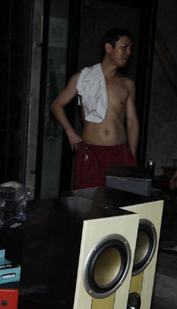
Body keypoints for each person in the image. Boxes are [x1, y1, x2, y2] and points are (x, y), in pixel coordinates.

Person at [51, 28, 138, 190]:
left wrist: (131, 155)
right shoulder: (83, 78)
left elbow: (132, 121)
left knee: (121, 205)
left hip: (120, 153)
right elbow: (57, 105)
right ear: (108, 48)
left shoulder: (127, 84)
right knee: (88, 205)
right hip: (91, 154)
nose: (128, 52)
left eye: (130, 48)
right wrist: (70, 132)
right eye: (124, 47)